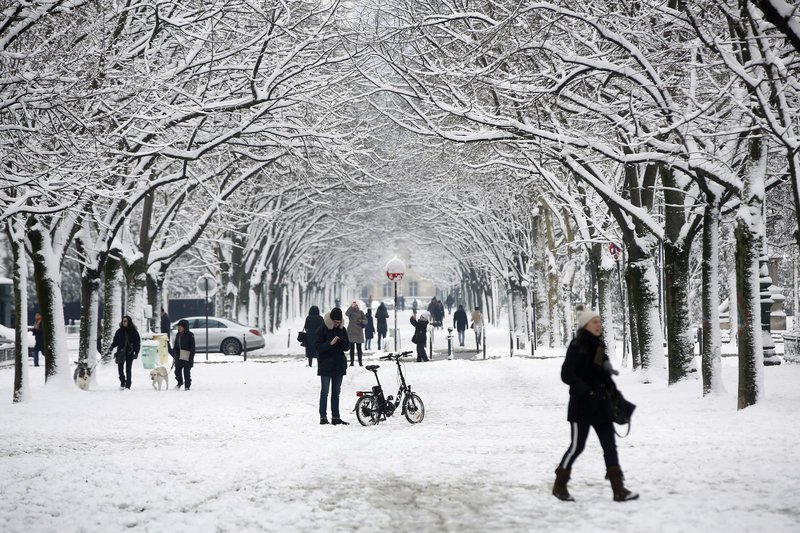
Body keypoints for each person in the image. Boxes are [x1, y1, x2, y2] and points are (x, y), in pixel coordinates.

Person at [552, 309, 638, 503]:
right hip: (581, 407)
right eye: (594, 322)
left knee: (610, 447)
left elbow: (603, 376)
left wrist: (615, 395)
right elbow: (566, 374)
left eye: (599, 321)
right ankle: (559, 484)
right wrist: (586, 390)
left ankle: (619, 490)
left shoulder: (599, 347)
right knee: (577, 447)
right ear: (585, 325)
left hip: (601, 406)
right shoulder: (577, 346)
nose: (598, 324)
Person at [315, 307, 350, 425]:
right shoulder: (322, 329)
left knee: (336, 392)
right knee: (324, 391)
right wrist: (330, 343)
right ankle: (323, 417)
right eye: (335, 322)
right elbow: (318, 348)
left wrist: (342, 342)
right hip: (325, 365)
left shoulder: (342, 329)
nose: (337, 324)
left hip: (339, 365)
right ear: (331, 320)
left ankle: (336, 417)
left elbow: (347, 347)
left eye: (339, 322)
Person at [109, 315, 141, 390]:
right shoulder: (119, 331)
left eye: (125, 321)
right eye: (123, 321)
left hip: (130, 352)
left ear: (129, 321)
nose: (124, 322)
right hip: (120, 353)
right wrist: (112, 346)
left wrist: (136, 352)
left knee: (128, 369)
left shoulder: (134, 332)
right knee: (120, 369)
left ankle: (128, 384)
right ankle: (122, 381)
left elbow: (137, 343)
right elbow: (115, 341)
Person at [171, 319, 196, 390]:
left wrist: (191, 357)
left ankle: (187, 386)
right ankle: (180, 382)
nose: (179, 328)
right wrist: (175, 353)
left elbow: (192, 347)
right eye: (178, 327)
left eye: (181, 327)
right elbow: (175, 345)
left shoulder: (190, 335)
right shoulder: (178, 335)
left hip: (187, 356)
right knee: (177, 371)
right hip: (179, 356)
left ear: (185, 327)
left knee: (186, 372)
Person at [346, 301, 367, 366]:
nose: (355, 306)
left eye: (356, 305)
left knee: (359, 348)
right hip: (351, 332)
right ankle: (352, 362)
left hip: (358, 332)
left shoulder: (361, 312)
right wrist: (351, 307)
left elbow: (366, 321)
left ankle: (360, 362)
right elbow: (346, 313)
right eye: (354, 305)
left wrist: (361, 321)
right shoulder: (351, 312)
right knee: (351, 348)